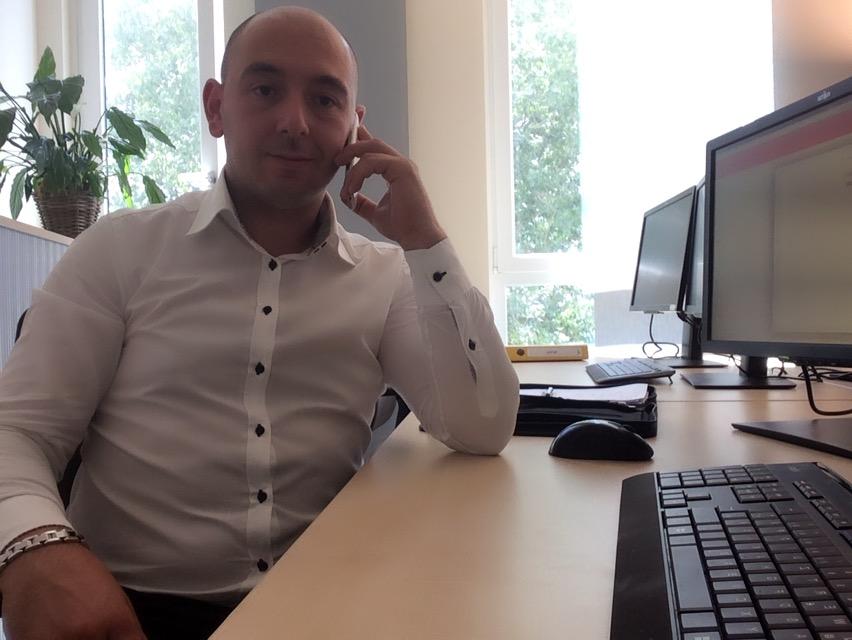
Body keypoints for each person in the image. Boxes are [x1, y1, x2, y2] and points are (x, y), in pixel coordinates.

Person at [0, 6, 519, 639]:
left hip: (325, 605)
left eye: (325, 100)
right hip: (133, 611)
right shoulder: (118, 250)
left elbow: (482, 425)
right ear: (216, 107)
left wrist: (427, 241)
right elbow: (18, 431)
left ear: (354, 127)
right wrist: (36, 546)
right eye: (266, 89)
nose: (295, 122)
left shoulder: (384, 277)